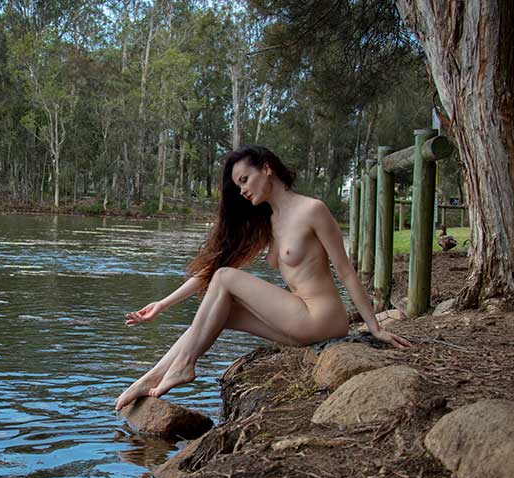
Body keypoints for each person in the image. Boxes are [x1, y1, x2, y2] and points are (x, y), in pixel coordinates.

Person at [115, 145, 411, 412]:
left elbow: (345, 271)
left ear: (267, 168)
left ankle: (184, 364)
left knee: (226, 279)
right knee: (217, 312)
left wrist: (375, 328)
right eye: (238, 186)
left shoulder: (312, 210)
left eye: (245, 180)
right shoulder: (268, 223)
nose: (242, 190)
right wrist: (163, 304)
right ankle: (152, 376)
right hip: (298, 324)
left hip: (323, 318)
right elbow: (213, 273)